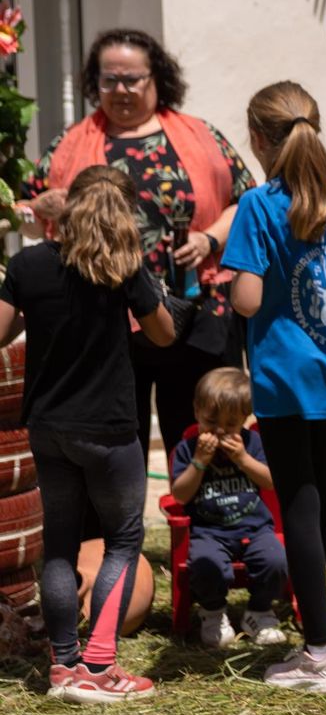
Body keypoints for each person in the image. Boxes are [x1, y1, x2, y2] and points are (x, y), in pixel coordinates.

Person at [223, 82, 326, 692]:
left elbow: (247, 298)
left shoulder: (258, 207)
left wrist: (234, 273)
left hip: (283, 382)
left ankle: (319, 655)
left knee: (298, 509)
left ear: (258, 140)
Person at [20, 29, 256, 464]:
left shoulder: (200, 136)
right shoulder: (70, 144)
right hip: (105, 320)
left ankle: (202, 533)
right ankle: (122, 532)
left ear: (156, 79)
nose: (120, 90)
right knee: (113, 446)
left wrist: (210, 239)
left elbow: (245, 200)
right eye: (109, 80)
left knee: (197, 435)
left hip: (194, 313)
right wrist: (39, 208)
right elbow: (27, 215)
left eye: (132, 79)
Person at [0, 166, 175, 702]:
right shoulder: (125, 270)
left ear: (70, 205)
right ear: (123, 214)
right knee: (123, 540)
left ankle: (63, 666)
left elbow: (2, 332)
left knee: (58, 544)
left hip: (48, 427)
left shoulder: (29, 263)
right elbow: (164, 335)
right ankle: (99, 668)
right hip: (110, 430)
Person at [166, 367, 289, 648]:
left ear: (245, 419)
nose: (220, 430)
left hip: (255, 529)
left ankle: (258, 611)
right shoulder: (187, 449)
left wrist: (243, 459)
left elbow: (271, 482)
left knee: (276, 561)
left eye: (231, 424)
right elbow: (181, 495)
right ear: (196, 411)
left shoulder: (252, 443)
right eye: (211, 420)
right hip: (208, 532)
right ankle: (212, 612)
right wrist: (199, 462)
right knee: (207, 567)